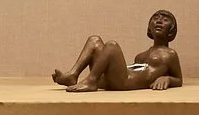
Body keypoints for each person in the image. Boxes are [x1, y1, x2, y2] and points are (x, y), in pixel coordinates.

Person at [52, 10, 184, 91]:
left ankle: (91, 81)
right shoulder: (141, 56)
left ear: (171, 29)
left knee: (112, 45)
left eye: (165, 20)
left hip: (125, 83)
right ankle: (72, 75)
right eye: (155, 19)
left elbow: (179, 79)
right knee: (94, 40)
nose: (159, 22)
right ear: (149, 26)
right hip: (112, 80)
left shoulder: (170, 54)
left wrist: (168, 78)